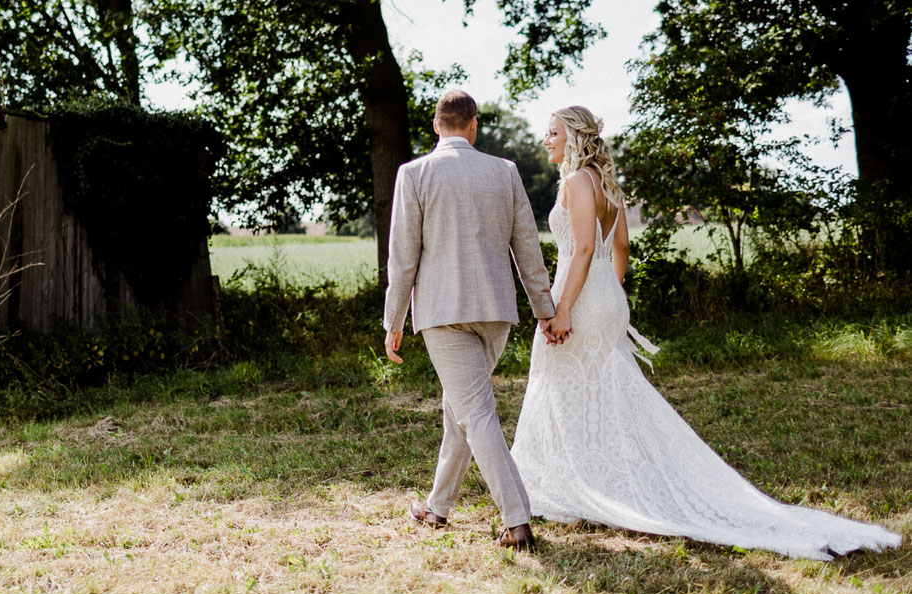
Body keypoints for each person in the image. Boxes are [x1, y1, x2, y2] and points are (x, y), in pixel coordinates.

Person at [511, 106, 902, 560]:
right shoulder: (606, 183)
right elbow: (620, 249)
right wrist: (610, 295)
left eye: (553, 132)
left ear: (574, 137)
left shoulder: (578, 181)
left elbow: (580, 249)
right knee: (599, 389)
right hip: (602, 296)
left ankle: (574, 482)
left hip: (578, 296)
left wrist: (563, 311)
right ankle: (590, 476)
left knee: (564, 385)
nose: (546, 139)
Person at [383, 90, 559, 550]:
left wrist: (393, 319)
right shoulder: (504, 171)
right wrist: (544, 307)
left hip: (443, 313)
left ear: (437, 125)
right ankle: (437, 507)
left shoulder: (414, 173)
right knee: (460, 409)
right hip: (497, 311)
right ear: (473, 125)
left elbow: (403, 256)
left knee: (475, 412)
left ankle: (517, 519)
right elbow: (528, 246)